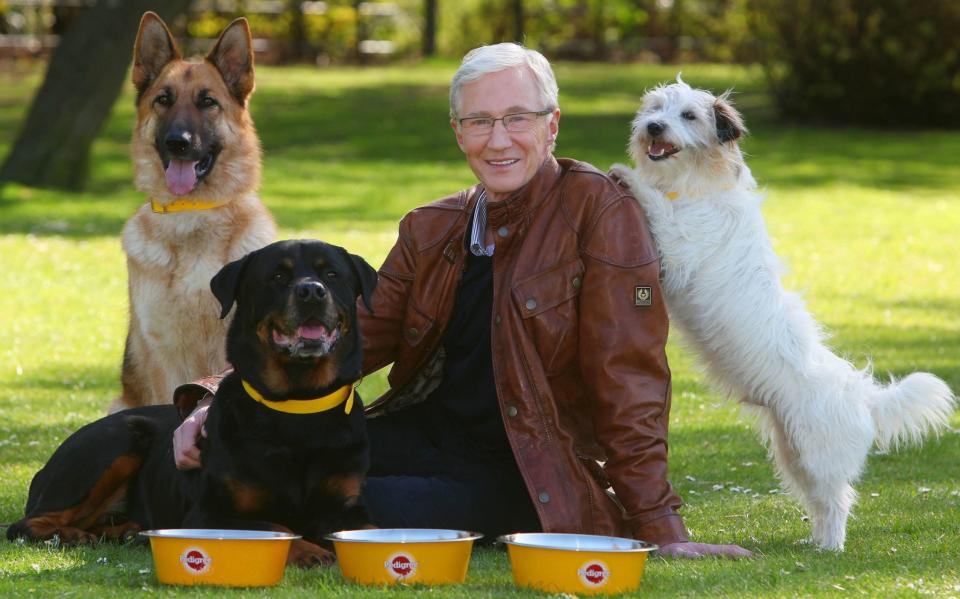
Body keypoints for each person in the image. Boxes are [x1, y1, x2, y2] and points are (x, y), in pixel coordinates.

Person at [173, 43, 751, 559]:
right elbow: (355, 331)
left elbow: (630, 380)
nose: (498, 140)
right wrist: (211, 401)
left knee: (333, 506)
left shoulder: (598, 213)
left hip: (529, 469)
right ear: (458, 130)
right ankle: (129, 505)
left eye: (517, 119)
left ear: (552, 126)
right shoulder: (434, 226)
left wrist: (660, 524)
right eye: (480, 120)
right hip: (426, 435)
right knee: (247, 458)